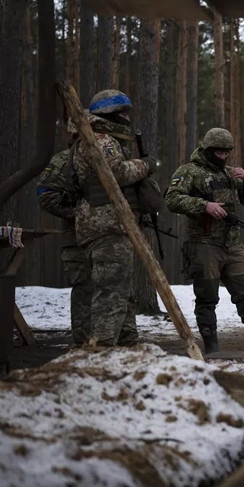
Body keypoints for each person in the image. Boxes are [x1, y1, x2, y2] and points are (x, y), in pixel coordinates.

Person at [165, 128, 244, 353]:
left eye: (226, 153)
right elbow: (171, 199)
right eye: (219, 153)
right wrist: (204, 206)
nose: (223, 157)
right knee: (207, 295)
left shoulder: (230, 174)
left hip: (232, 244)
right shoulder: (189, 171)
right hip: (204, 243)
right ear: (207, 149)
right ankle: (211, 345)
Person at [73, 89, 156, 346]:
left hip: (104, 225)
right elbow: (117, 174)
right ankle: (103, 348)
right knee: (111, 293)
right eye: (122, 113)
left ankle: (126, 342)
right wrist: (146, 165)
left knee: (120, 289)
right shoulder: (103, 141)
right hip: (108, 225)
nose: (126, 118)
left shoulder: (90, 139)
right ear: (110, 114)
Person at [36, 113, 92, 346]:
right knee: (83, 290)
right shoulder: (63, 161)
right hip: (77, 239)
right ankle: (82, 344)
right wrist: (78, 215)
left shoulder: (105, 158)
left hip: (107, 239)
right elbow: (45, 195)